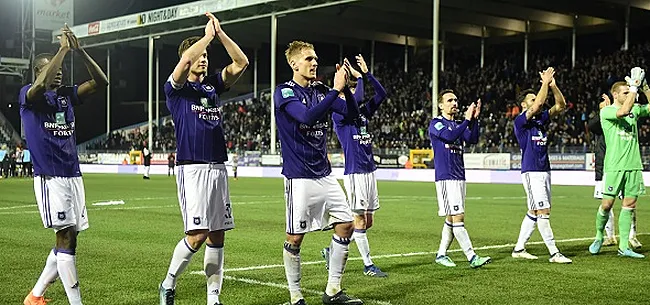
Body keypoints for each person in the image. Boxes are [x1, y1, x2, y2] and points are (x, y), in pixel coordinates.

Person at [158, 12, 248, 305]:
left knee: (217, 236)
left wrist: (219, 35)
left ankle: (213, 299)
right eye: (200, 54)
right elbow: (185, 63)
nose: (204, 58)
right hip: (192, 167)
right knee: (197, 235)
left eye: (207, 55)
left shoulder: (211, 86)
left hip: (217, 166)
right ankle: (168, 283)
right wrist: (205, 37)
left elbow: (241, 63)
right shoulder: (176, 90)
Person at [20, 24, 108, 305]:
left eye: (59, 67)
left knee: (70, 238)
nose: (57, 70)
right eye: (49, 68)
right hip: (50, 177)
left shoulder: (66, 96)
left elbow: (101, 82)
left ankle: (35, 296)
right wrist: (61, 50)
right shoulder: (29, 97)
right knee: (65, 239)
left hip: (73, 174)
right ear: (38, 71)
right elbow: (39, 86)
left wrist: (79, 51)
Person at [275, 40, 362, 305]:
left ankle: (333, 290)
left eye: (315, 59)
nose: (314, 63)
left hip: (324, 174)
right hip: (299, 175)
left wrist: (348, 89)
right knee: (295, 237)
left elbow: (352, 115)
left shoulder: (320, 90)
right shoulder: (284, 92)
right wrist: (335, 91)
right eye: (309, 59)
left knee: (347, 224)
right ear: (294, 64)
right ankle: (295, 296)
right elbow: (307, 118)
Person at [323, 55, 388, 278]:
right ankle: (368, 265)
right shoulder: (338, 114)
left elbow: (382, 94)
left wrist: (366, 75)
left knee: (367, 221)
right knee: (359, 220)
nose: (348, 95)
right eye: (344, 92)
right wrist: (356, 79)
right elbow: (357, 96)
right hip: (355, 172)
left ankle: (331, 250)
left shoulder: (362, 115)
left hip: (369, 170)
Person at [511, 68, 572, 263]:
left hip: (544, 170)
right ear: (523, 104)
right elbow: (538, 104)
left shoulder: (540, 121)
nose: (536, 100)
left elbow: (560, 105)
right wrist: (544, 83)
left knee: (534, 211)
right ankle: (554, 253)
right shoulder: (520, 121)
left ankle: (519, 248)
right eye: (530, 99)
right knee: (543, 211)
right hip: (532, 171)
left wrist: (553, 86)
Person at [589, 68, 649, 259]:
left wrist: (645, 87)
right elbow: (623, 111)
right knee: (607, 204)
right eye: (625, 92)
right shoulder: (607, 111)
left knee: (629, 205)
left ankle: (624, 247)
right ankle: (599, 235)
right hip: (614, 166)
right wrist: (633, 87)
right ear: (615, 94)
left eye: (630, 91)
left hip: (633, 165)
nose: (631, 93)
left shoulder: (636, 110)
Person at [429, 89, 491, 269]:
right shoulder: (436, 124)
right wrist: (466, 120)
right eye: (450, 100)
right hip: (446, 177)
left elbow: (472, 138)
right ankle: (472, 257)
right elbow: (449, 136)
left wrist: (474, 120)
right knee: (458, 217)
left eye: (456, 100)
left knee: (451, 217)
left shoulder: (457, 125)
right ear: (441, 105)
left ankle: (441, 254)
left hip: (459, 176)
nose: (454, 103)